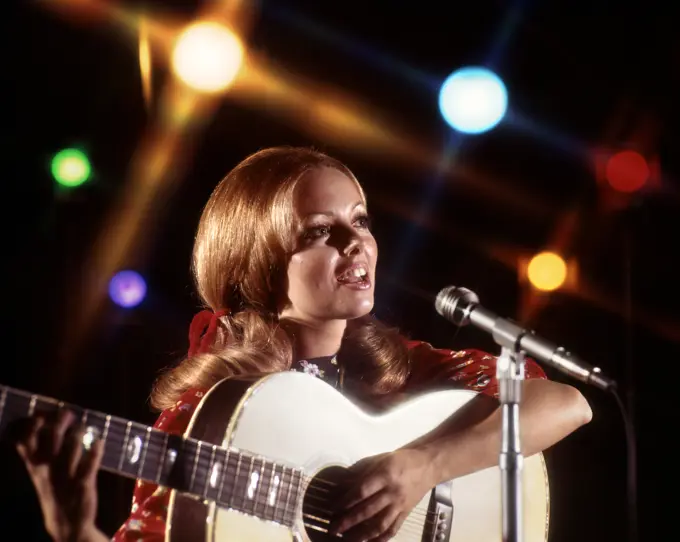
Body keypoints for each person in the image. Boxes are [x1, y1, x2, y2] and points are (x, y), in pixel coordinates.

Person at [15, 146, 592, 542]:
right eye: (320, 231)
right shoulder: (210, 418)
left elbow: (568, 405)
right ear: (257, 264)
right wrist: (74, 532)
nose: (356, 243)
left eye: (360, 221)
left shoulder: (406, 371)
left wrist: (422, 465)